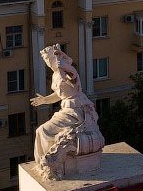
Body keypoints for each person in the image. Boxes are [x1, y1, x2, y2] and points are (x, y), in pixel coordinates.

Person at [31, 44, 103, 179]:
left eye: (48, 58)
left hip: (77, 111)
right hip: (67, 109)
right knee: (41, 131)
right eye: (45, 59)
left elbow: (73, 82)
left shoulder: (66, 69)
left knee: (42, 131)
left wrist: (64, 67)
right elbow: (60, 94)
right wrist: (44, 100)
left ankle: (50, 165)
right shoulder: (55, 75)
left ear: (54, 57)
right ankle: (45, 164)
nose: (47, 61)